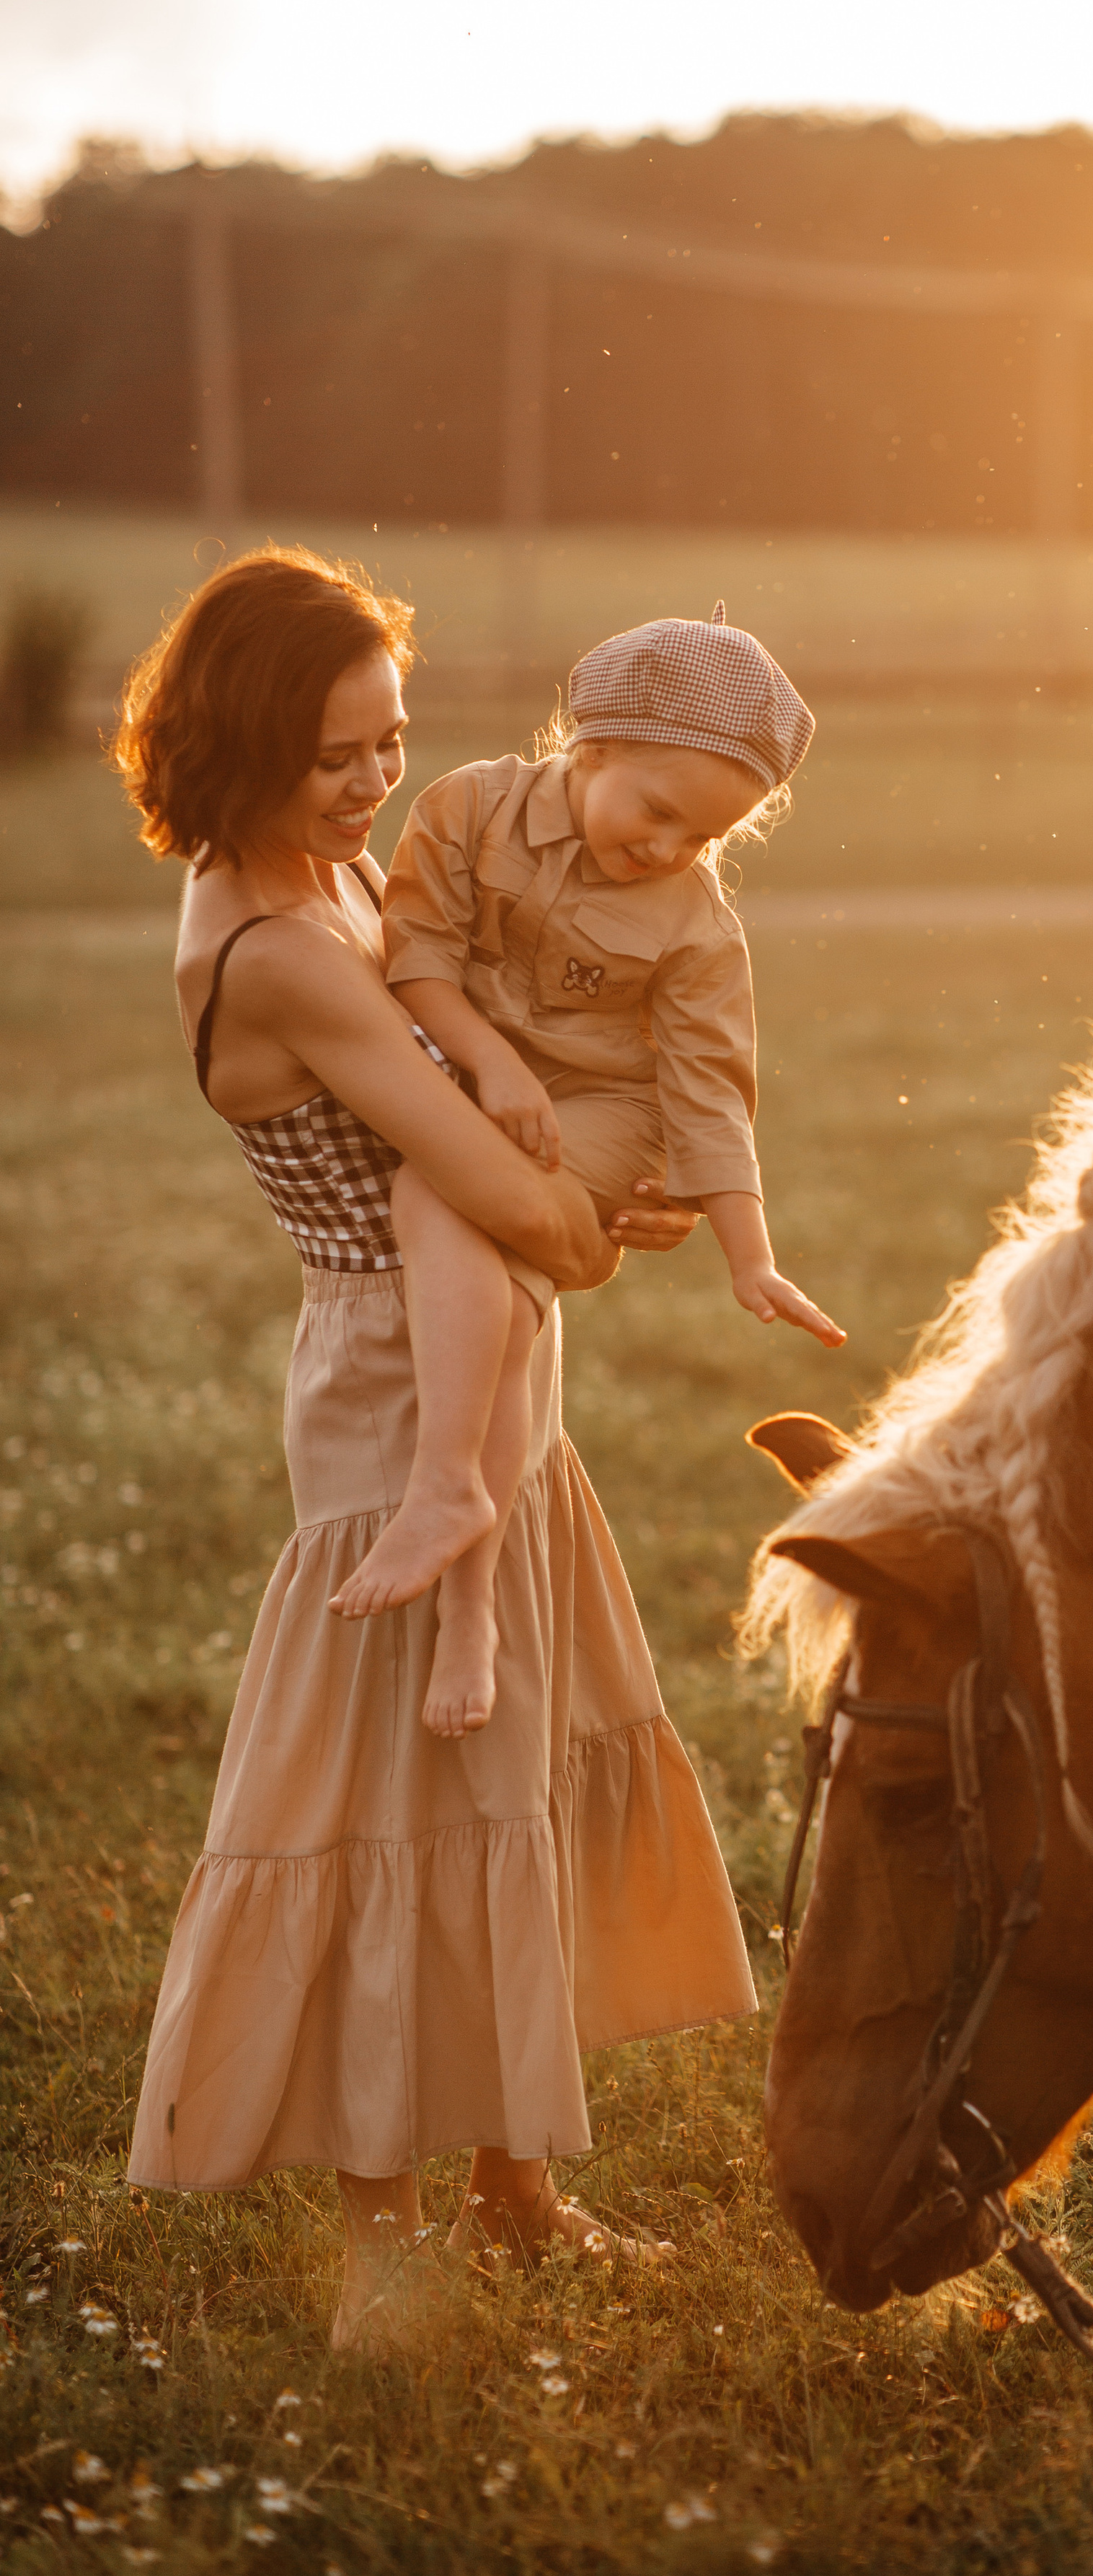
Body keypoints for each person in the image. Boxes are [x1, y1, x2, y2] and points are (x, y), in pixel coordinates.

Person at [118, 547, 757, 2347]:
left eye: (389, 739)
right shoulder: (269, 949)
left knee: (513, 1759)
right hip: (398, 1399)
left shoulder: (331, 872)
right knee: (396, 1794)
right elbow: (491, 1197)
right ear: (236, 741)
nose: (373, 779)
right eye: (335, 753)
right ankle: (383, 2240)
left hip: (485, 1373)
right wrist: (594, 1209)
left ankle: (518, 2189)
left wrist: (585, 1184)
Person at [326, 606, 845, 1744]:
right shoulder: (466, 808)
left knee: (437, 1194)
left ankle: (446, 1494)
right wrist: (493, 1062)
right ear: (590, 745)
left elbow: (707, 1087)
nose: (668, 850)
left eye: (702, 839)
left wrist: (748, 1251)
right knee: (505, 1304)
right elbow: (418, 958)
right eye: (657, 812)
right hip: (480, 1075)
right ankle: (472, 1601)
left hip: (606, 1121)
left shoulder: (697, 926)